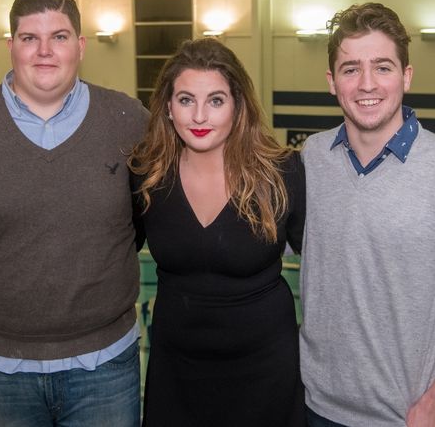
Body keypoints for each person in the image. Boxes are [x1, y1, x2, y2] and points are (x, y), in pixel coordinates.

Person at [0, 0, 148, 426]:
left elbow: (144, 220)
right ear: (10, 46)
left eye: (58, 36)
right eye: (28, 38)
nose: (43, 51)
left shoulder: (128, 120)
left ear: (80, 45)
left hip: (106, 367)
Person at [298, 3, 435, 427]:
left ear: (407, 75)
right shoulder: (312, 159)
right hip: (314, 407)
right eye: (350, 69)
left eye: (382, 67)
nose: (366, 84)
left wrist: (434, 405)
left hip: (405, 418)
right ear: (331, 82)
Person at [128, 38, 306, 426]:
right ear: (168, 108)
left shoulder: (282, 173)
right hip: (177, 371)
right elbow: (110, 249)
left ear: (238, 106)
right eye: (187, 100)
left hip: (266, 372)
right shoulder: (147, 176)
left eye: (216, 100)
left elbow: (331, 257)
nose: (200, 116)